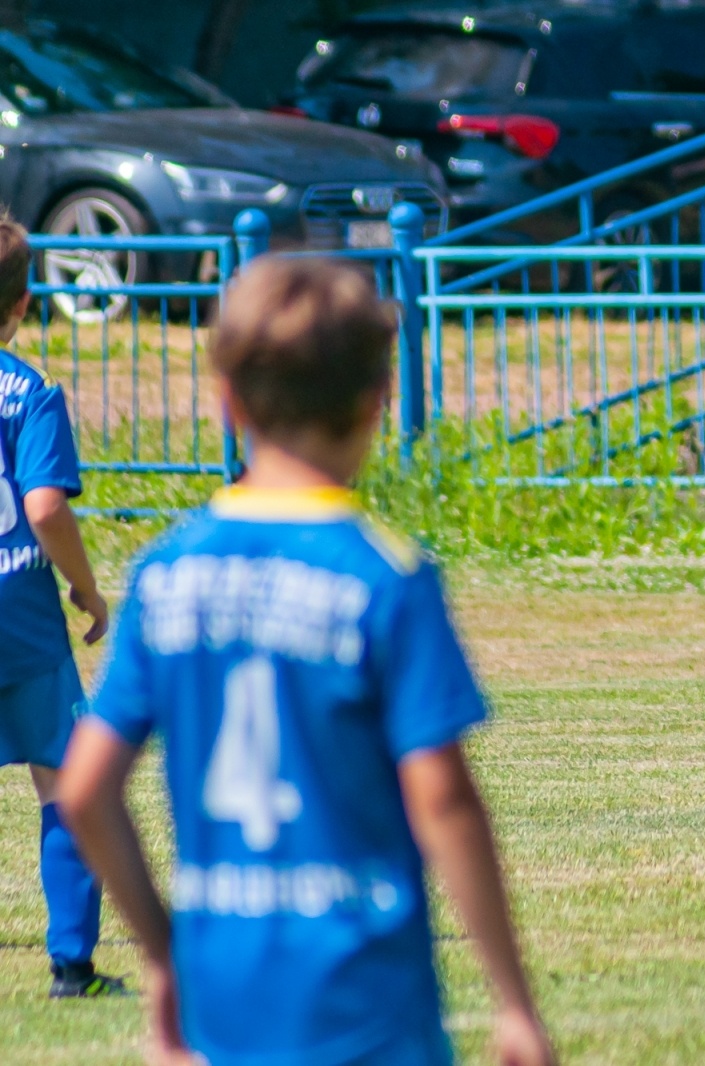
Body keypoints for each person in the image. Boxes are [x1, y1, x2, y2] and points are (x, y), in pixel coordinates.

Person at [57, 257, 556, 1065]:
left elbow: (84, 790)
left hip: (223, 1002)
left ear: (227, 400)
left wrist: (164, 956)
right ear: (377, 401)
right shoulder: (386, 575)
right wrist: (515, 1002)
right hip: (363, 1002)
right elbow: (442, 796)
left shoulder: (165, 571)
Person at [0, 216, 125, 998]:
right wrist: (84, 584)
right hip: (18, 613)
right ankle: (71, 964)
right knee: (66, 778)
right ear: (22, 303)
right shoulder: (31, 391)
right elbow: (43, 507)